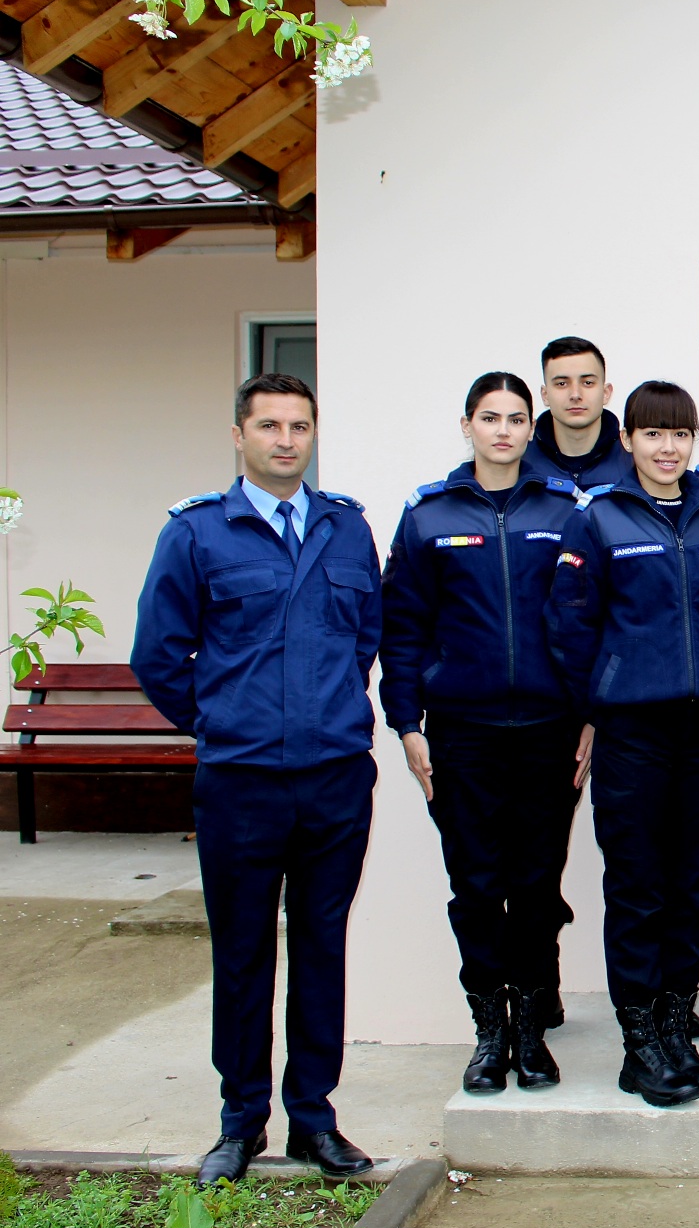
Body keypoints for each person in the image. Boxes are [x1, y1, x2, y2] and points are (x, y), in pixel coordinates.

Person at [133, 373, 380, 1185]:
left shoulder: (346, 528)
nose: (285, 440)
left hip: (335, 778)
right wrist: (224, 720)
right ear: (238, 435)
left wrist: (326, 715)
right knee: (242, 956)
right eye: (269, 425)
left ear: (313, 435)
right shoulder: (197, 532)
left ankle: (314, 1119)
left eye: (299, 426)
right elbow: (158, 657)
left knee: (321, 948)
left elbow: (364, 639)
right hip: (240, 783)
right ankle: (240, 1124)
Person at [546, 380, 699, 1108]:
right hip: (633, 732)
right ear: (628, 440)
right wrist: (600, 700)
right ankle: (639, 1044)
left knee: (691, 883)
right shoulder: (598, 518)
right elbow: (571, 626)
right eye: (653, 434)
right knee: (638, 887)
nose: (668, 448)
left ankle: (675, 1029)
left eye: (680, 434)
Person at [379, 372, 585, 1096]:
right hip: (461, 733)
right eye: (490, 418)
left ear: (533, 428)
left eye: (516, 418)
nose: (504, 430)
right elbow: (402, 627)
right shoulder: (428, 516)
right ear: (466, 426)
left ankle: (531, 1031)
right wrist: (405, 723)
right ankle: (489, 1031)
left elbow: (588, 618)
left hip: (550, 730)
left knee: (535, 885)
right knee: (474, 885)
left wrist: (591, 713)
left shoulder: (566, 511)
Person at [520, 336, 635, 487]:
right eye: (562, 383)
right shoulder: (520, 461)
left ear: (606, 393)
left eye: (587, 383)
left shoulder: (635, 462)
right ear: (545, 395)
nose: (575, 395)